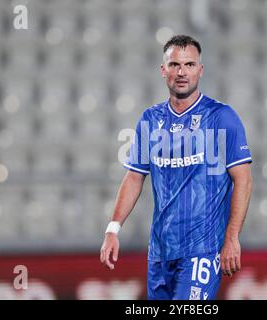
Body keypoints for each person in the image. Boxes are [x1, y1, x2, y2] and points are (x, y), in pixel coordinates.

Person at [100, 35, 253, 300]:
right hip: (160, 253)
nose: (181, 72)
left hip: (202, 249)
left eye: (190, 64)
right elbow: (134, 176)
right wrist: (113, 229)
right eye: (174, 65)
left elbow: (244, 180)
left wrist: (232, 237)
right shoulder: (150, 119)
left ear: (200, 70)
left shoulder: (221, 117)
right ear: (163, 70)